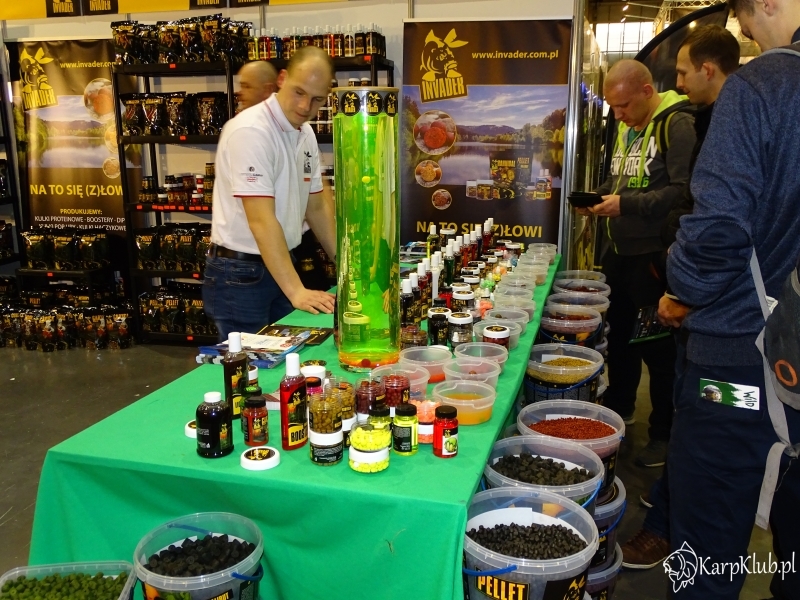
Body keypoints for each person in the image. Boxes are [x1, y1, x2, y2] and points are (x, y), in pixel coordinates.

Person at [666, 0, 800, 596]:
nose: (744, 30)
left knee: (703, 550)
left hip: (740, 367)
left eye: (745, 17)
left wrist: (680, 286)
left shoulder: (763, 85)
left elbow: (717, 233)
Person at [619, 24, 740, 570]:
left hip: (723, 320)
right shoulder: (709, 118)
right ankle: (670, 510)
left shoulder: (694, 122)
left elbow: (708, 218)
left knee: (708, 418)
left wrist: (680, 288)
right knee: (692, 407)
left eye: (686, 71)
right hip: (693, 293)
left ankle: (689, 547)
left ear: (709, 69)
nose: (682, 81)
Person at [589, 59, 696, 468]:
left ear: (647, 92)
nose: (618, 115)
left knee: (657, 348)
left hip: (651, 257)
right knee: (618, 339)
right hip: (618, 252)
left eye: (624, 105)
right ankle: (621, 410)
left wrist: (626, 205)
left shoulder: (676, 125)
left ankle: (663, 436)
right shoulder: (627, 126)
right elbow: (621, 180)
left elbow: (684, 191)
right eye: (613, 107)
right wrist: (597, 198)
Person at [203, 46, 337, 341]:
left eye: (317, 99)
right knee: (249, 364)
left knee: (290, 358)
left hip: (280, 264)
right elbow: (261, 220)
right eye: (299, 92)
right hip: (239, 274)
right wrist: (296, 290)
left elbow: (316, 206)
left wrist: (346, 265)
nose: (305, 106)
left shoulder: (305, 133)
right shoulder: (251, 131)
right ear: (282, 79)